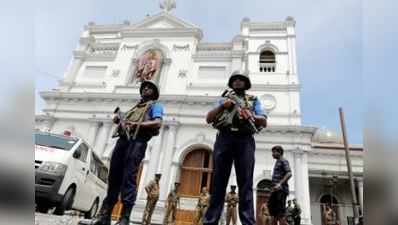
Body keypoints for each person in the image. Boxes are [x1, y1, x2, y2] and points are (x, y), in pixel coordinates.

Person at [83, 80, 164, 225]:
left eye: (150, 88)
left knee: (129, 178)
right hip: (123, 142)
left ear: (155, 93)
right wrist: (119, 120)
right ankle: (105, 216)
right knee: (114, 177)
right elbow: (125, 122)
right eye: (144, 87)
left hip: (137, 142)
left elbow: (157, 122)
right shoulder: (134, 108)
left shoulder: (155, 106)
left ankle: (124, 217)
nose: (146, 88)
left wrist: (136, 125)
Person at [203, 70, 268, 225]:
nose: (238, 81)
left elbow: (264, 121)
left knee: (245, 184)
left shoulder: (253, 100)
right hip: (224, 138)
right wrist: (222, 106)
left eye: (241, 79)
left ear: (246, 83)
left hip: (244, 140)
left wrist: (250, 115)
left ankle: (247, 222)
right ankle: (210, 221)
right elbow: (209, 118)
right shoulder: (224, 99)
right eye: (235, 79)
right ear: (231, 83)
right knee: (218, 182)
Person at [267, 146, 292, 225]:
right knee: (273, 214)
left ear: (279, 152)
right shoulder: (277, 162)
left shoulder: (283, 161)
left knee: (280, 214)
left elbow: (289, 173)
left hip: (280, 191)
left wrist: (280, 184)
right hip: (275, 191)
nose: (272, 154)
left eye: (274, 152)